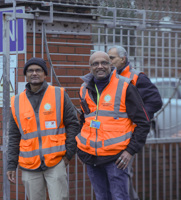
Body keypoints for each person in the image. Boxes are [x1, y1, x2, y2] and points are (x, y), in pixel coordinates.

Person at [76, 51, 150, 200]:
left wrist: (130, 151)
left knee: (119, 197)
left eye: (104, 62)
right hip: (91, 157)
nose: (100, 66)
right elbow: (85, 120)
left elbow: (143, 122)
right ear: (90, 68)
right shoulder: (84, 88)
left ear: (111, 65)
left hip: (116, 159)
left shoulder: (125, 86)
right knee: (101, 197)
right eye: (95, 64)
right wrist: (81, 148)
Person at [7, 57, 80, 200]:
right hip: (29, 164)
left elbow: (73, 124)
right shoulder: (16, 101)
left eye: (38, 70)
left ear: (45, 74)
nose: (34, 73)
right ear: (26, 75)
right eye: (30, 71)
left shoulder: (58, 94)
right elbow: (14, 135)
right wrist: (11, 165)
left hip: (56, 161)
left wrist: (68, 155)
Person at [108, 46, 163, 199]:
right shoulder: (111, 76)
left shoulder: (137, 76)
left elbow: (155, 101)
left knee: (122, 174)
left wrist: (139, 117)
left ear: (123, 59)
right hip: (112, 134)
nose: (109, 61)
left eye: (111, 58)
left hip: (128, 134)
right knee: (120, 175)